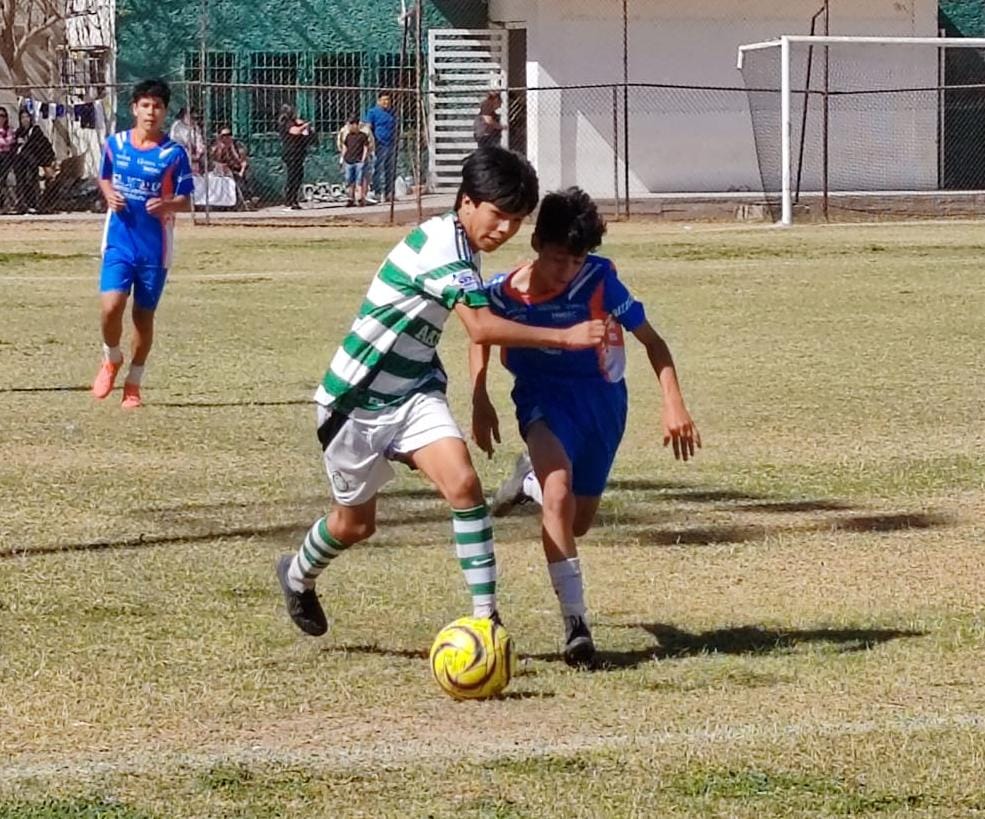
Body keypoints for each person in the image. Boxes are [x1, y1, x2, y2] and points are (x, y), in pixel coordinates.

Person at [275, 147, 606, 638]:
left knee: (465, 487)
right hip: (353, 402)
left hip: (413, 394)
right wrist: (565, 337)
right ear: (468, 202)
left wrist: (476, 395)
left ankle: (486, 620)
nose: (505, 229)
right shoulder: (441, 247)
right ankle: (297, 574)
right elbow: (480, 327)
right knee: (354, 525)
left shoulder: (464, 244)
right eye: (498, 215)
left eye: (516, 220)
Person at [469, 187, 701, 667]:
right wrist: (479, 395)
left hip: (602, 405)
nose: (566, 271)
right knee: (558, 492)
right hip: (542, 401)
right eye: (558, 259)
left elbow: (652, 343)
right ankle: (577, 628)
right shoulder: (503, 293)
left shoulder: (598, 282)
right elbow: (481, 334)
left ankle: (528, 478)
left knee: (577, 523)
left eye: (576, 261)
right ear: (535, 243)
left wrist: (673, 403)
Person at [91, 79, 194, 409]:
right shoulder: (116, 144)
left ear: (164, 112)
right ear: (134, 108)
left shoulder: (173, 154)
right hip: (119, 241)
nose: (151, 112)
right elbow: (104, 177)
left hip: (154, 248)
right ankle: (112, 358)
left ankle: (133, 384)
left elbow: (186, 201)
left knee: (142, 317)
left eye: (158, 106)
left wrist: (167, 206)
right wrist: (108, 194)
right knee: (110, 307)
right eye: (145, 105)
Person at [13, 109, 55, 214]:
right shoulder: (19, 132)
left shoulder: (35, 130)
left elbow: (40, 146)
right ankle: (23, 204)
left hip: (34, 161)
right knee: (21, 180)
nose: (25, 120)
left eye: (27, 117)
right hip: (21, 163)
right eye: (22, 118)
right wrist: (18, 143)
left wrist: (26, 145)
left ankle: (34, 204)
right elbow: (15, 148)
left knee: (32, 180)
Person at [278, 104, 314, 210]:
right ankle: (290, 200)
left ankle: (294, 199)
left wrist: (304, 127)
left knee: (298, 176)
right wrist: (304, 125)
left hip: (299, 153)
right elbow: (295, 131)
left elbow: (304, 134)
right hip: (291, 153)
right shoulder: (286, 123)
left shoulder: (294, 122)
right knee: (292, 176)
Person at [210, 125, 254, 208]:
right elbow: (213, 160)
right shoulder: (216, 147)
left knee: (246, 175)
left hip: (237, 167)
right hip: (223, 169)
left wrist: (231, 148)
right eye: (224, 136)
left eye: (228, 135)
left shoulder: (237, 145)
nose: (226, 138)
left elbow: (242, 161)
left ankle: (247, 198)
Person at [364, 91, 396, 202]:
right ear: (378, 101)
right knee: (377, 168)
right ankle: (377, 192)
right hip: (379, 144)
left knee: (390, 170)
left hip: (391, 144)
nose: (386, 102)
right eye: (384, 100)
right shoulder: (373, 112)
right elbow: (368, 127)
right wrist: (371, 143)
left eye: (388, 100)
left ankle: (389, 193)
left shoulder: (392, 112)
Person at [338, 115, 369, 206]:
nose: (350, 126)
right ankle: (350, 198)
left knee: (359, 180)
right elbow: (345, 147)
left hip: (359, 160)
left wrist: (363, 159)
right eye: (349, 124)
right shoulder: (348, 136)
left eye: (352, 124)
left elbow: (365, 147)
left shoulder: (362, 135)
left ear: (356, 125)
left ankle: (360, 198)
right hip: (349, 161)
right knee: (349, 180)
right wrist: (342, 158)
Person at [169, 108, 205, 174]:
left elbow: (199, 141)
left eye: (195, 118)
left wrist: (199, 151)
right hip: (182, 150)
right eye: (191, 117)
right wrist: (188, 152)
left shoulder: (195, 127)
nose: (193, 120)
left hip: (194, 152)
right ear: (184, 116)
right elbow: (176, 142)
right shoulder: (177, 125)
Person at [0, 107, 15, 212]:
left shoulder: (9, 130)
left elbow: (9, 142)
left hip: (5, 156)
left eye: (3, 116)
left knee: (5, 179)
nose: (1, 118)